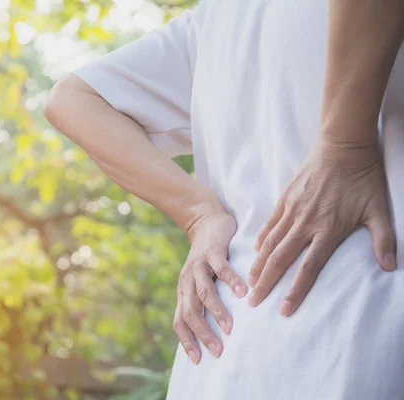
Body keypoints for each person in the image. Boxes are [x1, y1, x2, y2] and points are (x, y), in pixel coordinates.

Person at [44, 0, 404, 398]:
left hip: (221, 358)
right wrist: (344, 146)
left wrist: (197, 213)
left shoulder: (216, 21)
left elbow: (74, 99)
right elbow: (70, 100)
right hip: (361, 337)